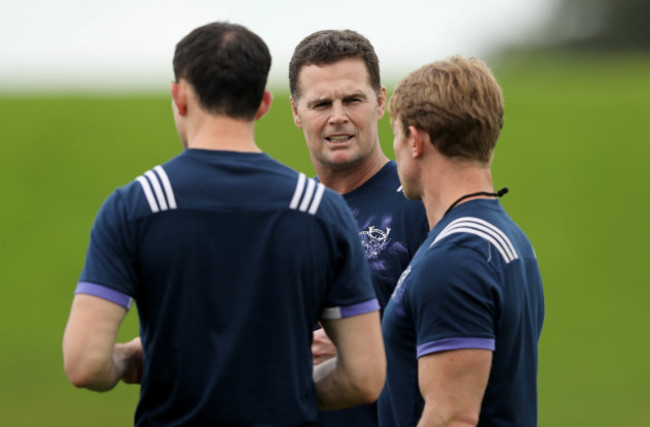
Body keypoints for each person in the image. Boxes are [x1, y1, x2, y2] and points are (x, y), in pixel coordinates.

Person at [62, 21, 386, 426]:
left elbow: (85, 365)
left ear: (179, 97)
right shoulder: (319, 209)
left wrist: (129, 358)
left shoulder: (135, 206)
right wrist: (284, 387)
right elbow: (364, 377)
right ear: (264, 104)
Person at [378, 55, 545, 426]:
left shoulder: (455, 258)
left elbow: (452, 417)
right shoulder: (508, 238)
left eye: (396, 134)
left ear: (416, 140)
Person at [289, 30, 429, 426]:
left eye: (352, 99)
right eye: (320, 103)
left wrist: (360, 348)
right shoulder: (285, 215)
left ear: (381, 102)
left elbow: (457, 337)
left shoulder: (419, 205)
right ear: (296, 112)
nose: (337, 116)